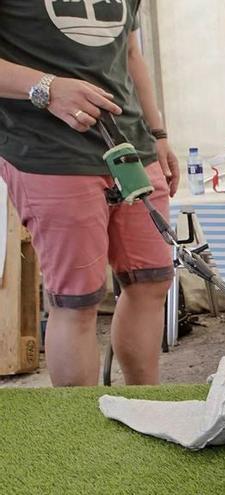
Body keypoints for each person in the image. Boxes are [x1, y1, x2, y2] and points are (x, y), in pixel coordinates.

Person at [0, 0, 179, 386]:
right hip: (50, 152)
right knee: (76, 300)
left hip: (131, 147)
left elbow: (131, 54)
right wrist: (47, 87)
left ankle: (143, 405)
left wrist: (158, 132)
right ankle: (83, 426)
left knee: (151, 281)